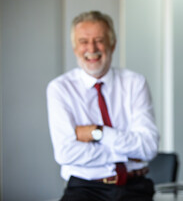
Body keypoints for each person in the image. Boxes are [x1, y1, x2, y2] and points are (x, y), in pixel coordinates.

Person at [47, 11, 159, 201]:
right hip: (85, 189)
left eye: (99, 40)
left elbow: (148, 147)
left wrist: (96, 132)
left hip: (135, 188)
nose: (91, 48)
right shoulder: (60, 89)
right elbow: (65, 152)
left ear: (112, 44)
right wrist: (128, 153)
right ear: (75, 48)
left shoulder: (135, 83)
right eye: (83, 41)